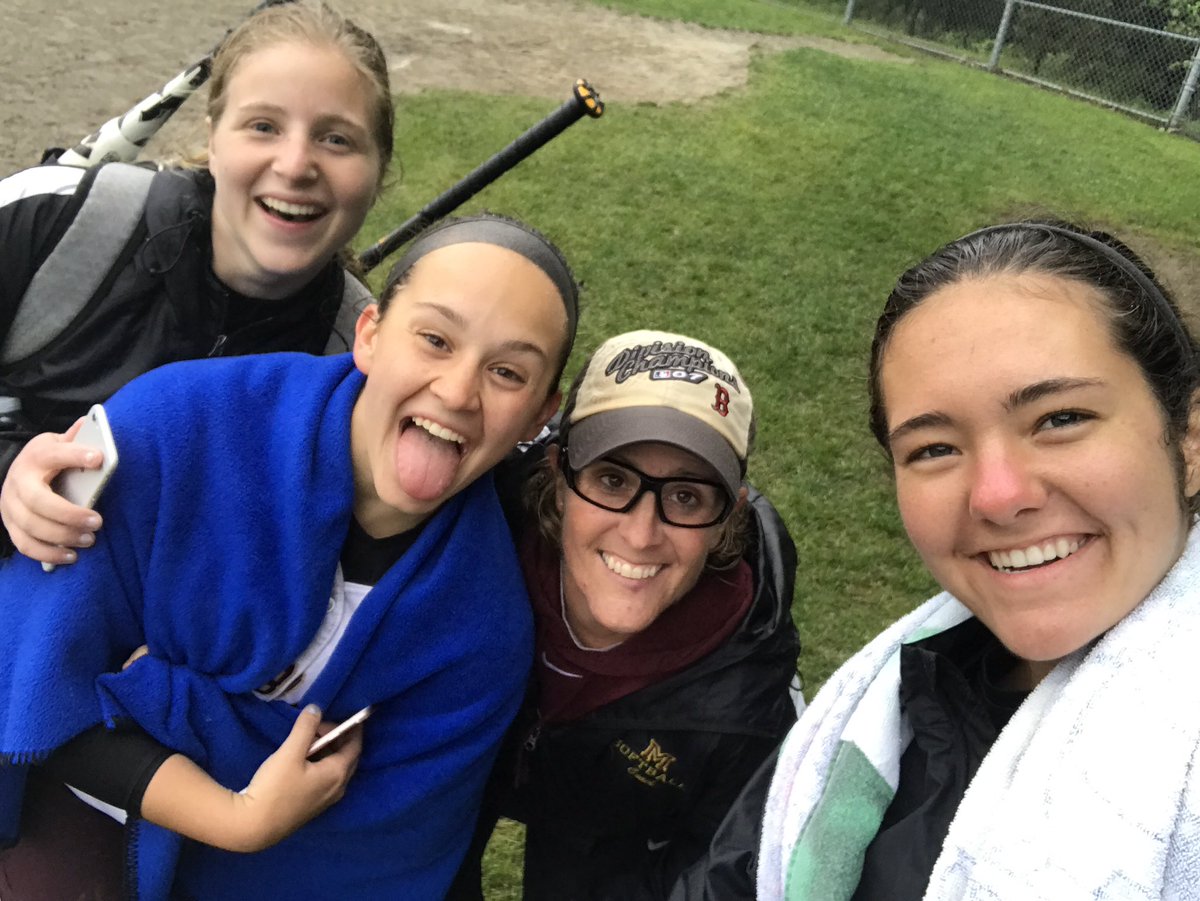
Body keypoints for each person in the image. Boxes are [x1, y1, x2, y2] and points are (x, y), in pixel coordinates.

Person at [0, 214, 579, 901]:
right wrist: (237, 812)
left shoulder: (483, 630)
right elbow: (29, 682)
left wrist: (155, 693)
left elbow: (383, 854)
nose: (456, 391)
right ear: (370, 334)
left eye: (507, 371)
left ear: (542, 412)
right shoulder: (172, 427)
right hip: (63, 810)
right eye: (433, 338)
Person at [674, 219, 1200, 900]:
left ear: (1188, 438)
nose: (998, 495)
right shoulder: (886, 701)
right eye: (934, 448)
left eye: (1060, 418)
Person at [0, 0, 394, 562]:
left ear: (379, 169)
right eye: (263, 126)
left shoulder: (352, 365)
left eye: (337, 139)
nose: (295, 164)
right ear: (214, 139)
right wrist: (10, 476)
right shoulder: (51, 220)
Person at [450, 329, 802, 900]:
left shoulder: (748, 706)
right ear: (559, 477)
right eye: (612, 480)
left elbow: (720, 875)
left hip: (618, 828)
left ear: (727, 518)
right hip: (463, 772)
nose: (641, 534)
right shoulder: (473, 538)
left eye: (686, 497)